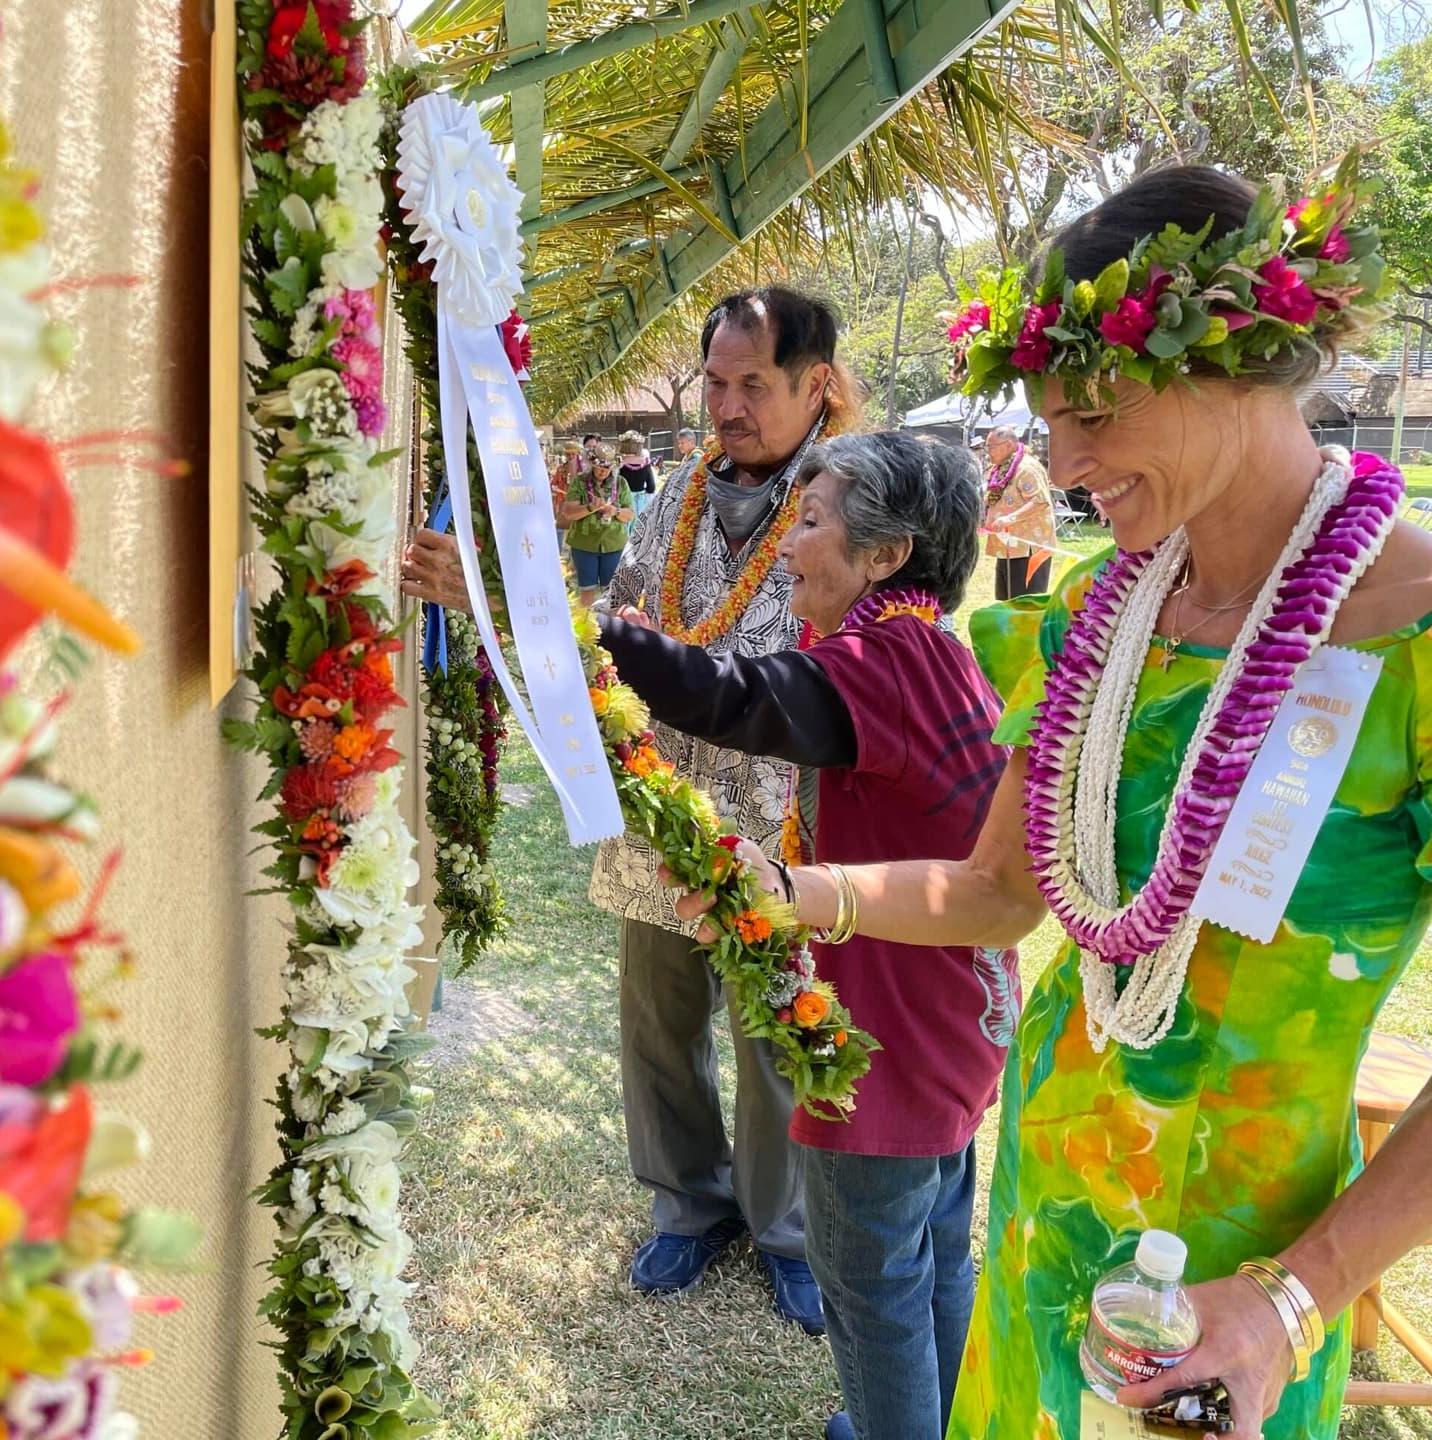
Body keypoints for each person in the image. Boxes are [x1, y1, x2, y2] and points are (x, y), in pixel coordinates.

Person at [679, 165, 1432, 1440]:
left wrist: (1288, 1307)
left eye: (1095, 411)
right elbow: (995, 892)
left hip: (1231, 1281)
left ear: (1239, 356)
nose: (1067, 465)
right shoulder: (1104, 613)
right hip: (1040, 1210)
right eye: (1047, 418)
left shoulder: (1411, 631)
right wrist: (785, 892)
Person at [403, 286, 865, 1333]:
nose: (729, 404)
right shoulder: (676, 495)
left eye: (755, 383)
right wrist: (489, 597)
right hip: (660, 807)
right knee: (658, 1022)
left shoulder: (853, 498)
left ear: (816, 386)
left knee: (770, 1029)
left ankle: (785, 1228)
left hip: (788, 825)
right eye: (716, 381)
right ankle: (688, 1203)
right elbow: (620, 630)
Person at [604, 431, 1017, 1440]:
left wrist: (581, 633)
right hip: (953, 1027)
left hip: (889, 1041)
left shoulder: (884, 661)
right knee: (931, 1260)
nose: (792, 544)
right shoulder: (934, 654)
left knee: (871, 1287)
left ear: (886, 555)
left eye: (817, 520)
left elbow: (728, 699)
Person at [978, 424, 1057, 598]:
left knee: (1025, 601)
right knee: (1007, 599)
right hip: (1008, 546)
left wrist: (1009, 518)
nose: (987, 451)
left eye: (991, 447)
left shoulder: (1026, 468)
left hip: (1029, 548)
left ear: (1007, 445)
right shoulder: (1001, 467)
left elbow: (1040, 501)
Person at [561, 440, 636, 604]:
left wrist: (615, 511)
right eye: (599, 468)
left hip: (614, 544)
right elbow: (568, 513)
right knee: (587, 590)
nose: (603, 472)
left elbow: (630, 514)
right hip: (584, 545)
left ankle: (610, 626)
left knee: (612, 592)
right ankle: (588, 625)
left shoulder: (621, 483)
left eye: (607, 469)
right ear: (592, 465)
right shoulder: (580, 482)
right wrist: (589, 508)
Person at [618, 429, 660, 519]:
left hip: (623, 503)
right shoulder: (645, 463)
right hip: (641, 503)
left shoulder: (619, 463)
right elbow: (651, 487)